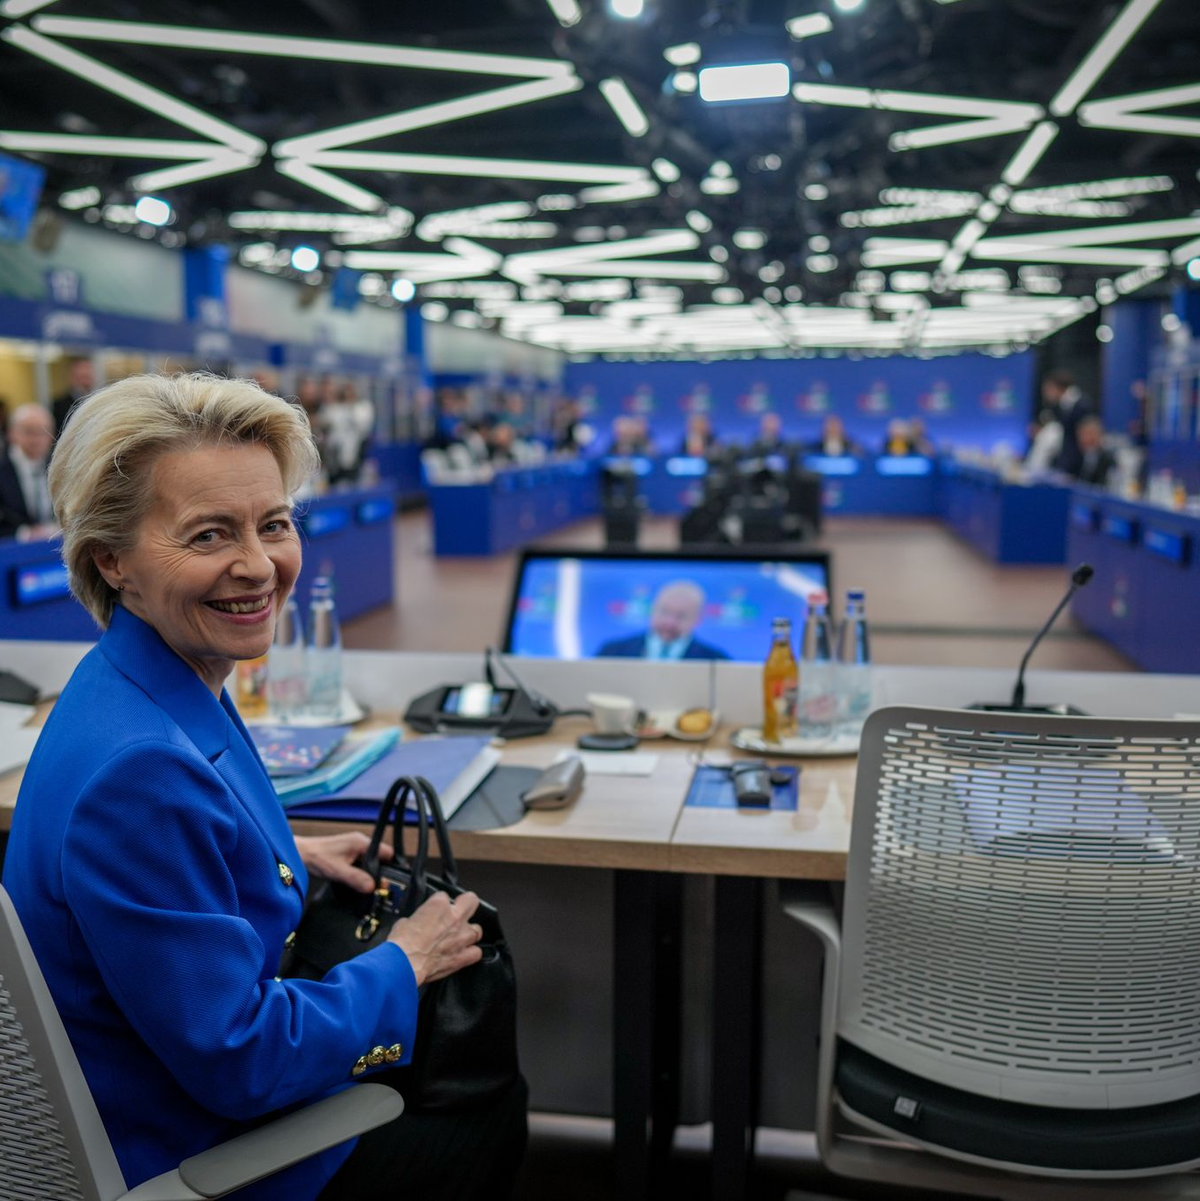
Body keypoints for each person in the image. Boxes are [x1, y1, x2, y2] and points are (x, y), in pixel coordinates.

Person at [3, 373, 527, 1201]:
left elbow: (165, 864)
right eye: (209, 535)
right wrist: (405, 961)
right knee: (479, 1110)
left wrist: (280, 852)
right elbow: (242, 1060)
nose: (258, 564)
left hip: (175, 1102)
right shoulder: (139, 772)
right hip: (204, 1157)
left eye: (274, 523)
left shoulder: (135, 683)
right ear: (113, 560)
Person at [596, 580, 730, 660]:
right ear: (653, 610)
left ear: (697, 619)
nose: (669, 622)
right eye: (664, 612)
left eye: (681, 616)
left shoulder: (717, 661)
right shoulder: (612, 653)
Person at [0, 403, 57, 540]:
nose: (36, 439)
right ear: (11, 433)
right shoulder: (3, 470)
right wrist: (25, 534)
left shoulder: (59, 468)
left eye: (43, 432)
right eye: (29, 431)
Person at [1042, 369, 1095, 476]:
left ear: (1058, 388)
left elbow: (1084, 439)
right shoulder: (1061, 407)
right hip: (1065, 462)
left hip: (1077, 466)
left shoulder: (1081, 406)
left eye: (1049, 390)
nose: (1047, 395)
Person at [50, 356, 95, 435]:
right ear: (73, 377)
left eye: (87, 377)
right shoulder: (59, 405)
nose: (85, 382)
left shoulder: (97, 400)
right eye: (82, 377)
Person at [1074, 415, 1116, 487]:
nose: (1085, 439)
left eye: (1089, 434)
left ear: (1099, 435)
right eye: (1082, 435)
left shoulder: (1108, 460)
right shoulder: (1077, 457)